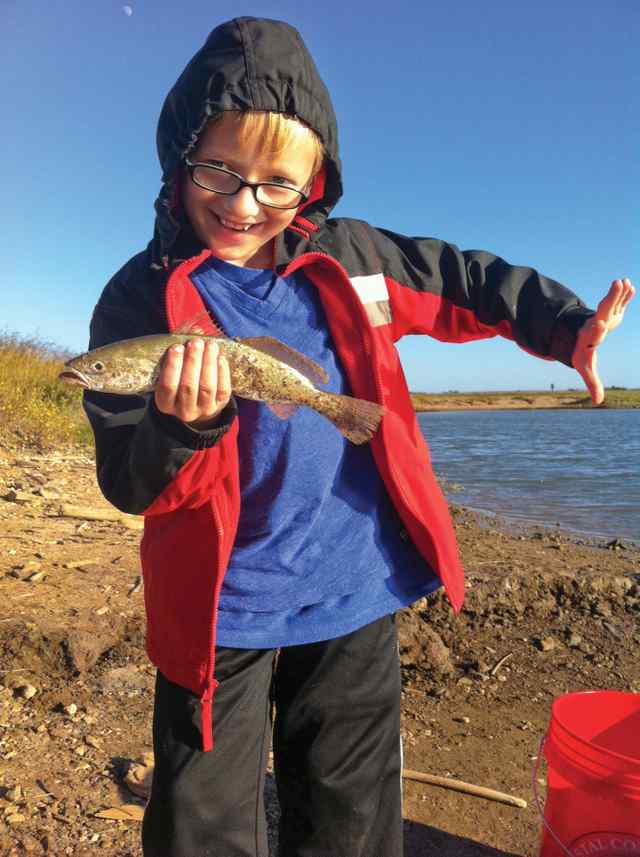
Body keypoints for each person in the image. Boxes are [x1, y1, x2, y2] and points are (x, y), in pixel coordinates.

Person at [84, 16, 634, 857]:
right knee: (200, 828)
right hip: (217, 616)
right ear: (178, 161)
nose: (242, 203)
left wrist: (563, 329)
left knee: (350, 827)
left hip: (355, 590)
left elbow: (468, 279)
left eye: (276, 183)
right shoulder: (135, 303)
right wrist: (179, 427)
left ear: (315, 182)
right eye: (218, 171)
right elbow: (129, 482)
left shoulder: (354, 256)